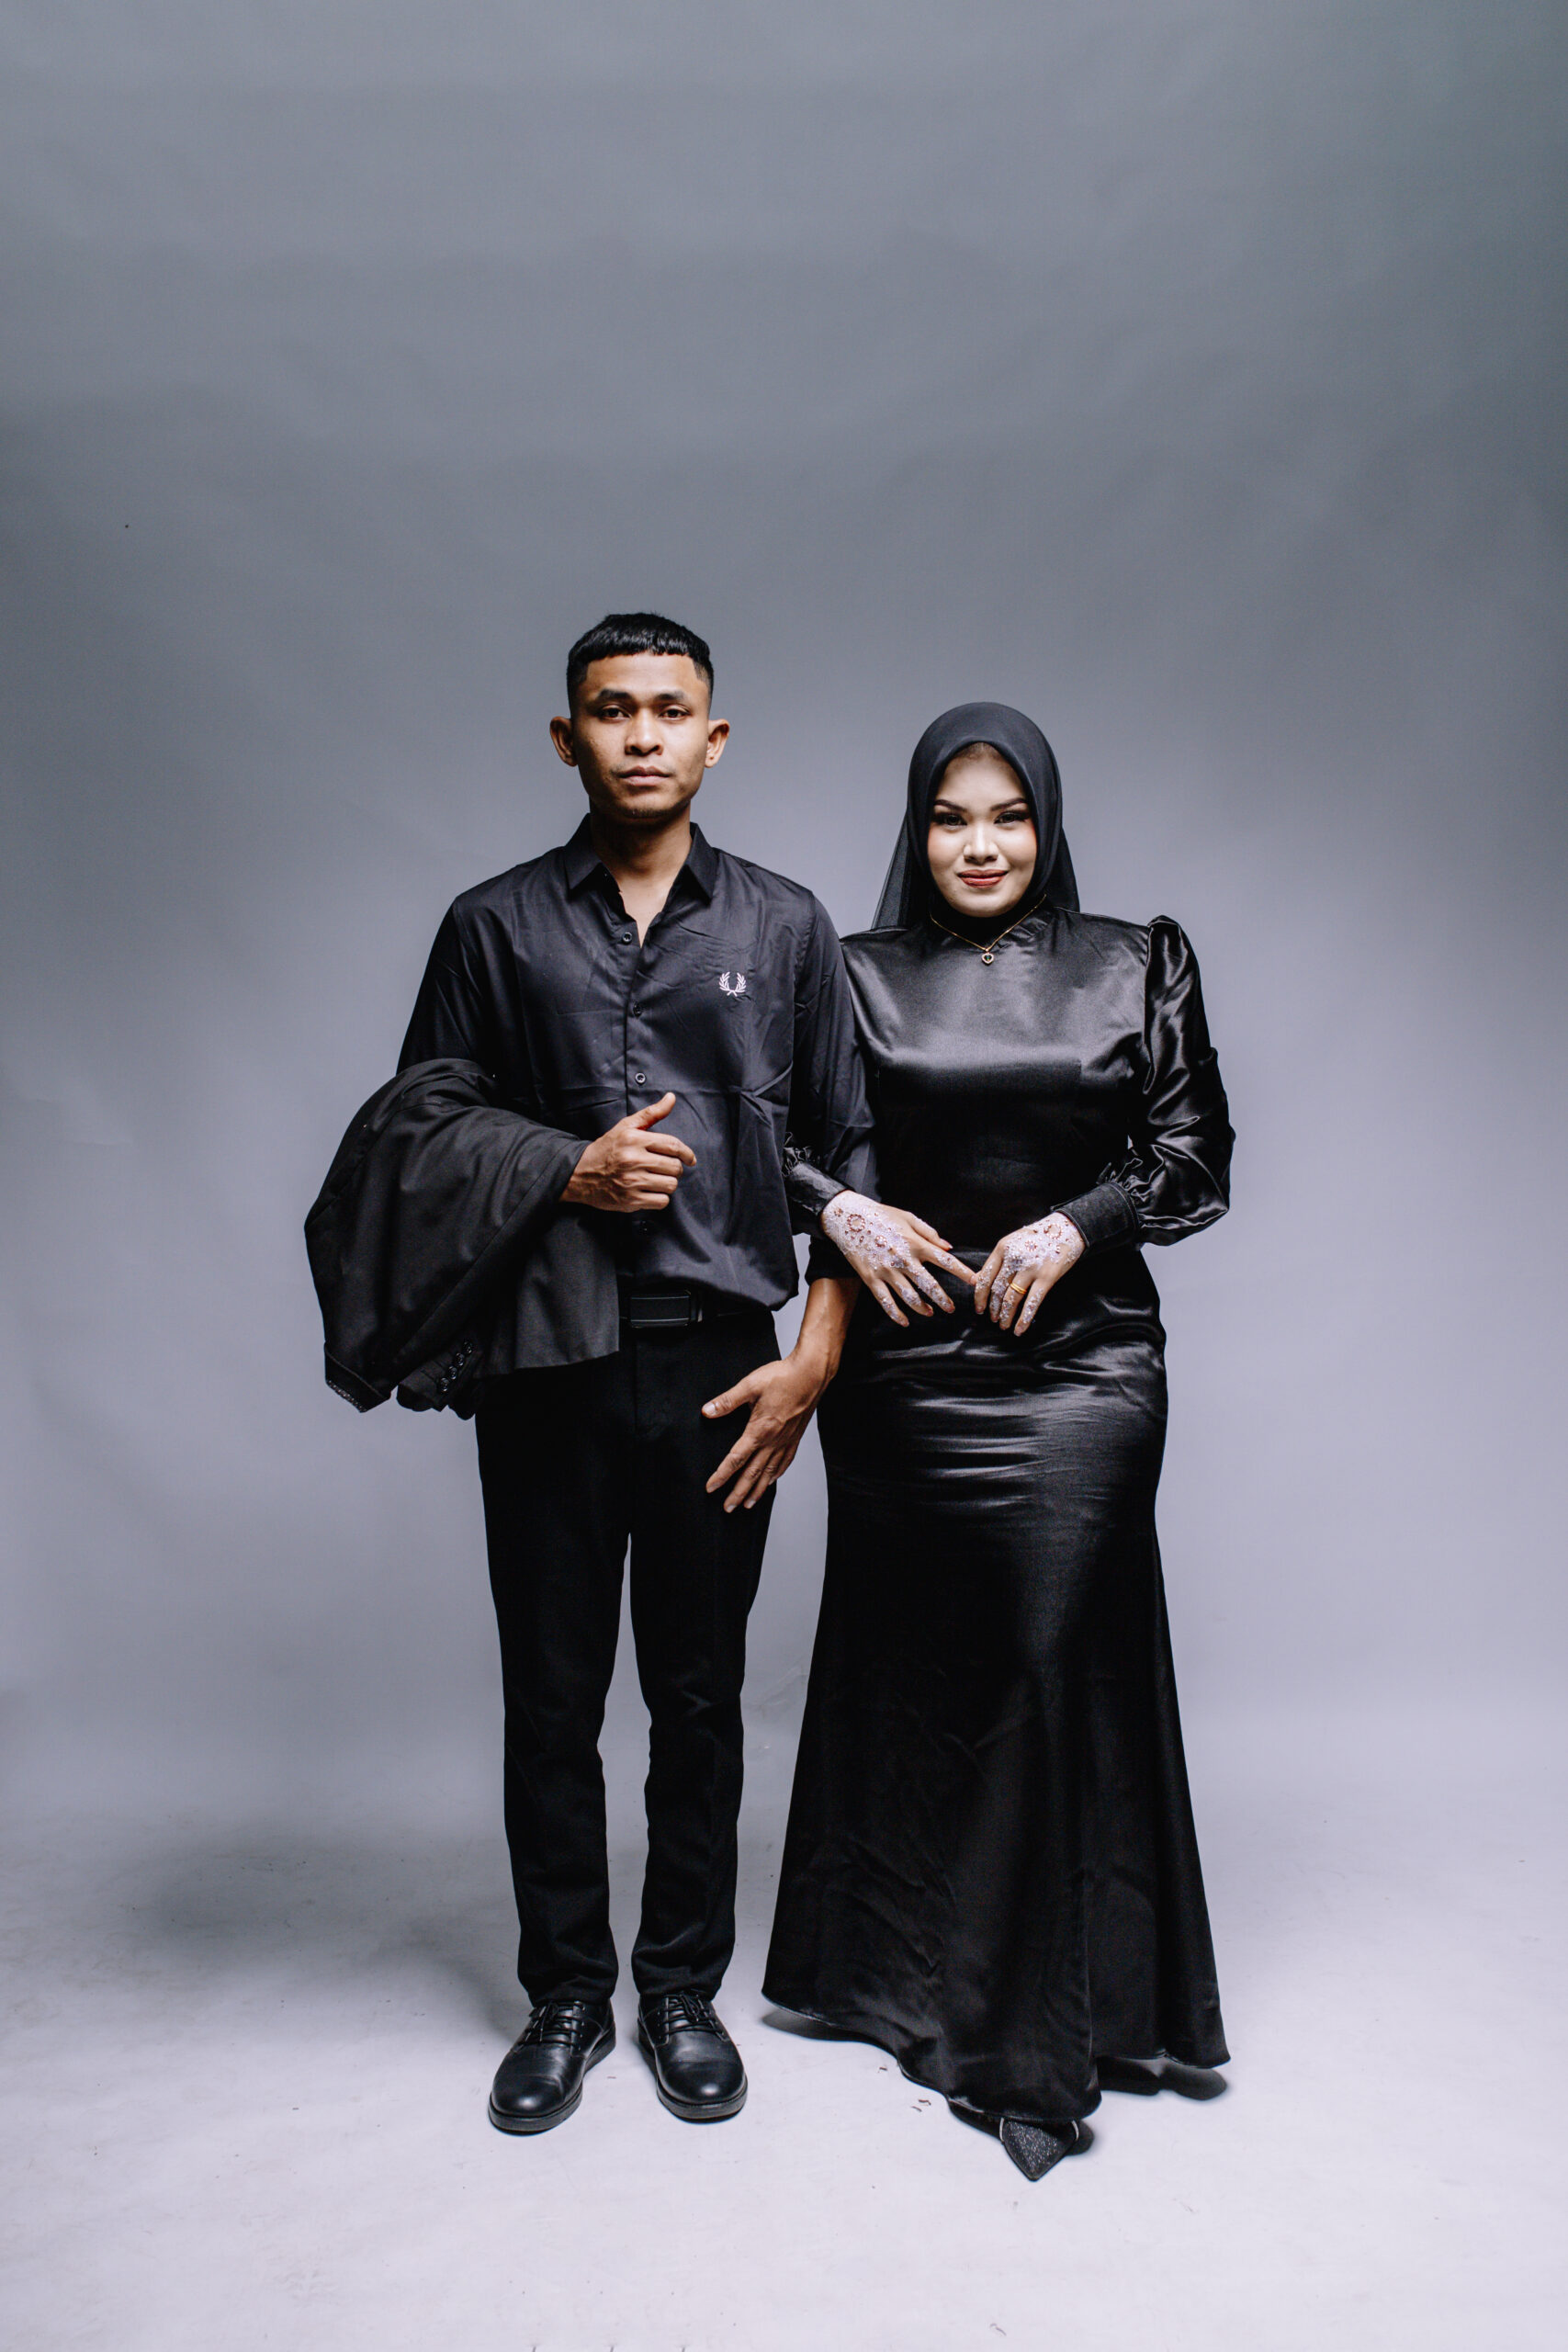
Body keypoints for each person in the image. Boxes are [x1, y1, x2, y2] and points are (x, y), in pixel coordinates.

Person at [399, 614, 872, 2134]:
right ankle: (563, 1996)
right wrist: (564, 1167)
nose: (645, 735)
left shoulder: (787, 928)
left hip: (722, 1370)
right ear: (569, 738)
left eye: (673, 710)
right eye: (614, 710)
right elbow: (419, 1131)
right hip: (545, 1364)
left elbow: (848, 1157)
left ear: (714, 739)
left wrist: (814, 1362)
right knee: (550, 1701)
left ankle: (678, 1991)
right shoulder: (492, 928)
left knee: (699, 1697)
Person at [764, 703, 1234, 2181]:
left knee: (1041, 1658)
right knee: (924, 1673)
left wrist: (1076, 1224)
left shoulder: (1138, 960)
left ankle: (1029, 2045)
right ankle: (900, 1987)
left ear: (1048, 822)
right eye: (952, 817)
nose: (981, 844)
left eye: (1009, 815)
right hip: (904, 1377)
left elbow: (1196, 1156)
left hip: (1082, 1368)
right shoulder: (848, 975)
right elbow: (766, 1132)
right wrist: (838, 1208)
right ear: (918, 829)